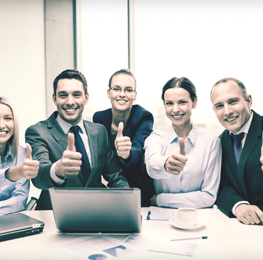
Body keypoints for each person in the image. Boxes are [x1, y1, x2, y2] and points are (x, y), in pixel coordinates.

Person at [25, 69, 129, 210]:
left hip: (96, 212)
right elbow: (39, 177)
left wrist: (129, 202)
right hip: (55, 214)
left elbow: (115, 177)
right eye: (63, 95)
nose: (70, 102)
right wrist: (58, 170)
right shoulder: (37, 132)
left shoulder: (99, 131)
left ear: (86, 98)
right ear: (54, 98)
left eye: (76, 95)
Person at [144, 77, 221, 208]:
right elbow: (152, 165)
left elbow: (208, 196)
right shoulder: (156, 138)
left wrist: (161, 199)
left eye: (182, 102)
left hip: (199, 218)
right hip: (162, 219)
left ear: (194, 103)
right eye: (169, 103)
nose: (175, 109)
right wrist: (166, 164)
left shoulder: (211, 142)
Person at [93, 69, 155, 206]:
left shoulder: (144, 116)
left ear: (135, 95)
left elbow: (139, 146)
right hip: (112, 186)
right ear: (108, 93)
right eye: (116, 89)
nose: (122, 94)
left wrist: (127, 153)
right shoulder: (99, 118)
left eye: (128, 90)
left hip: (140, 187)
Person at [211, 77, 263, 225]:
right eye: (219, 106)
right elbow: (221, 185)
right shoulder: (220, 141)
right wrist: (238, 206)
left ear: (249, 101)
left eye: (233, 101)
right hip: (242, 231)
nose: (227, 111)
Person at [0, 97, 39, 216]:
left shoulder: (23, 154)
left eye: (8, 118)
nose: (2, 125)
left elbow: (19, 200)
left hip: (9, 221)